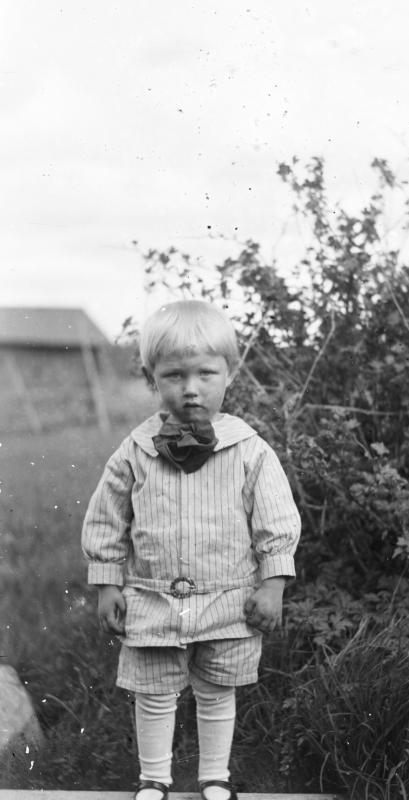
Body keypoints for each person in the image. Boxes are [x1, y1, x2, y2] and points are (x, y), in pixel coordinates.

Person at [82, 300, 301, 800]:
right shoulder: (135, 450)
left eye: (205, 373)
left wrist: (272, 585)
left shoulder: (248, 448)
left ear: (229, 374)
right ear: (151, 379)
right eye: (174, 375)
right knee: (154, 693)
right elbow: (107, 518)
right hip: (153, 600)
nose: (191, 388)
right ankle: (154, 778)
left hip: (228, 600)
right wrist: (107, 584)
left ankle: (215, 777)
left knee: (217, 691)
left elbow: (275, 521)